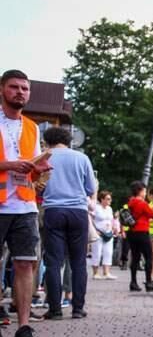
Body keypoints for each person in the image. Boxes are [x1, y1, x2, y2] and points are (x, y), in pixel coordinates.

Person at [0, 69, 51, 337]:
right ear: (2, 90)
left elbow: (30, 166)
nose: (20, 92)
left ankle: (23, 327)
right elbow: (12, 163)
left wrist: (38, 168)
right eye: (14, 87)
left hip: (24, 204)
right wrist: (9, 165)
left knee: (25, 263)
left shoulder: (32, 127)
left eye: (24, 88)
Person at [39, 126, 97, 319]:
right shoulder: (81, 158)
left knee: (53, 262)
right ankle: (78, 308)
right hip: (78, 212)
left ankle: (55, 309)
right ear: (68, 140)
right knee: (78, 262)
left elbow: (38, 186)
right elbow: (90, 188)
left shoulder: (43, 158)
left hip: (53, 211)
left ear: (48, 141)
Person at [125, 182, 153, 293]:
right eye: (144, 191)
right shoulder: (142, 203)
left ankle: (133, 282)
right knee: (149, 257)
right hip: (142, 232)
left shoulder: (130, 202)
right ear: (139, 191)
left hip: (132, 232)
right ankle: (149, 282)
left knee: (135, 257)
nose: (145, 193)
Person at [89, 191, 117, 280]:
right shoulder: (96, 208)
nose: (110, 200)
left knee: (108, 252)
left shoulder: (110, 209)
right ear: (102, 199)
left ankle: (106, 272)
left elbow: (111, 220)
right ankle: (95, 273)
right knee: (97, 253)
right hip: (98, 233)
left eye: (110, 199)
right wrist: (94, 230)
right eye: (108, 199)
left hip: (108, 233)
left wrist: (113, 228)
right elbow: (90, 219)